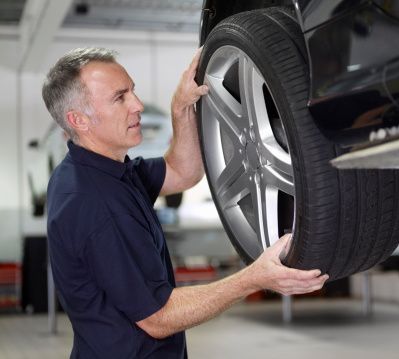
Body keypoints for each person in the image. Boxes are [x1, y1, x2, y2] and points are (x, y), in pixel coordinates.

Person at [42, 47, 329, 359]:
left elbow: (182, 171)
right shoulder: (94, 204)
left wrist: (181, 108)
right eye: (119, 97)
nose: (137, 105)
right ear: (78, 120)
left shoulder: (103, 169)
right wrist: (253, 279)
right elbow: (158, 317)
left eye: (133, 91)